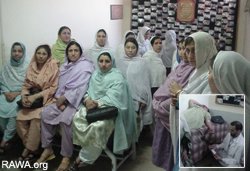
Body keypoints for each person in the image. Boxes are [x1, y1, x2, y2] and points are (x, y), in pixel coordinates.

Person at [69, 51, 137, 170]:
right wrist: (87, 100)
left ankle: (80, 159)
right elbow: (88, 91)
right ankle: (89, 152)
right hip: (92, 108)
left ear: (112, 62)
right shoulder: (95, 74)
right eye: (101, 61)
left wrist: (97, 103)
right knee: (77, 118)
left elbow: (115, 97)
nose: (103, 64)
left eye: (107, 61)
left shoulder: (117, 77)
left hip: (110, 111)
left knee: (97, 127)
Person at [36, 41, 94, 171]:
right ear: (67, 53)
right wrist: (59, 99)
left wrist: (66, 99)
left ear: (80, 52)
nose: (73, 53)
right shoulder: (64, 67)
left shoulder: (86, 66)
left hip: (76, 101)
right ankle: (48, 149)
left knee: (65, 121)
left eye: (76, 51)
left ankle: (66, 156)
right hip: (60, 101)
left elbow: (83, 87)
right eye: (70, 51)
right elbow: (59, 86)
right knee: (45, 113)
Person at [152, 38, 195, 170]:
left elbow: (179, 92)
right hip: (165, 109)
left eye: (188, 50)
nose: (184, 53)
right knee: (165, 147)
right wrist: (158, 101)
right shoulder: (179, 66)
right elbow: (167, 85)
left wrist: (160, 105)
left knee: (173, 150)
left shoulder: (194, 70)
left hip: (172, 111)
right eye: (182, 49)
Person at [16, 44, 59, 161]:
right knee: (19, 118)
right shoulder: (32, 65)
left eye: (44, 54)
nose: (40, 56)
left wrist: (36, 96)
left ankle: (27, 150)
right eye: (38, 53)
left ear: (48, 55)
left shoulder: (53, 66)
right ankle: (33, 149)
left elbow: (53, 88)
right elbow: (26, 85)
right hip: (31, 99)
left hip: (46, 99)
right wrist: (25, 96)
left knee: (36, 119)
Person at [116, 37, 152, 131]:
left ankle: (134, 144)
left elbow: (145, 81)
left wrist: (143, 98)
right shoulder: (119, 62)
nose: (130, 50)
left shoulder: (142, 62)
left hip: (136, 99)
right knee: (122, 124)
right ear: (124, 48)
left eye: (133, 47)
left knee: (134, 125)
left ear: (137, 48)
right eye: (127, 47)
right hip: (122, 98)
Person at [0, 42, 29, 154]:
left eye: (19, 51)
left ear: (23, 52)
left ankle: (5, 140)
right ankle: (9, 135)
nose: (16, 53)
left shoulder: (28, 66)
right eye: (14, 51)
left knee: (14, 111)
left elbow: (29, 84)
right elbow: (2, 81)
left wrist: (17, 93)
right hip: (6, 93)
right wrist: (7, 92)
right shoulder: (6, 66)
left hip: (20, 94)